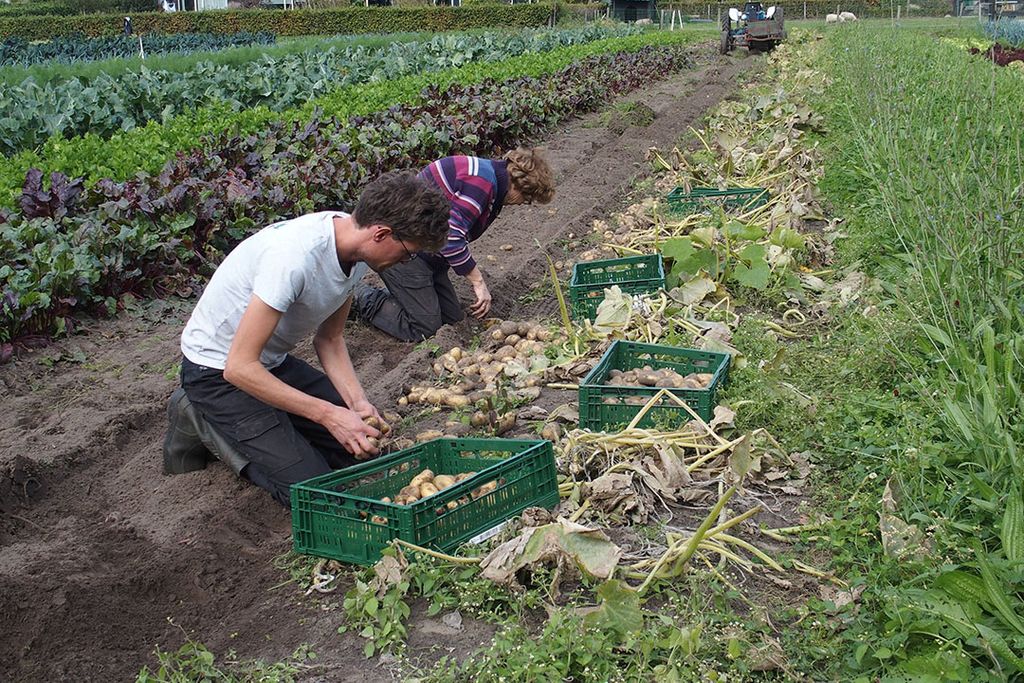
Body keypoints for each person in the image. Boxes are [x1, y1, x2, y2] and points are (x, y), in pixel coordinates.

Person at [162, 170, 450, 507]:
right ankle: (199, 417)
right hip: (217, 371)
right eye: (408, 253)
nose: (405, 261)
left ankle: (271, 425)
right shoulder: (294, 260)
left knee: (364, 451)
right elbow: (238, 367)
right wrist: (328, 414)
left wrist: (355, 402)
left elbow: (330, 339)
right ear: (382, 233)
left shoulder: (354, 251)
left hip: (267, 363)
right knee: (316, 493)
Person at [353, 148, 555, 342]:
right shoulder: (482, 183)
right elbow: (451, 236)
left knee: (452, 319)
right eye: (527, 198)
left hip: (429, 253)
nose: (522, 203)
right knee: (426, 330)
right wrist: (478, 282)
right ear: (517, 184)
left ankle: (407, 296)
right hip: (401, 249)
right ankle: (359, 297)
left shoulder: (490, 179)